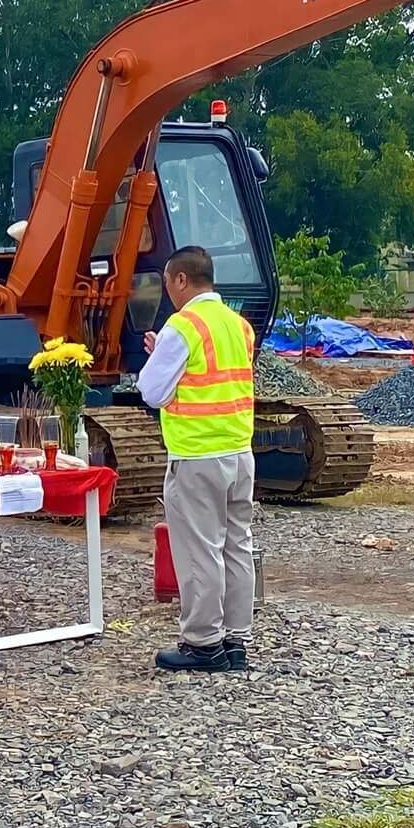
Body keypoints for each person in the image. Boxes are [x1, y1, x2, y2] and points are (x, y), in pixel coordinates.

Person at [136, 245, 257, 672]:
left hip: (197, 454)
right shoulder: (239, 326)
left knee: (200, 550)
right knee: (236, 546)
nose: (168, 291)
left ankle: (203, 643)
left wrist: (158, 359)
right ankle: (235, 639)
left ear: (181, 279)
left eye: (168, 282)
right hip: (239, 451)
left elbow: (152, 392)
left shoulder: (182, 326)